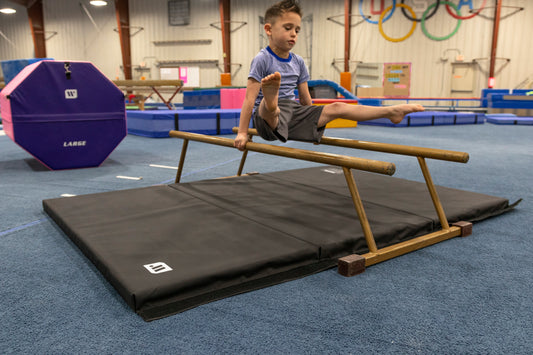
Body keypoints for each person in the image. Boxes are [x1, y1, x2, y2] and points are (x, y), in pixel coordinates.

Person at [234, 0, 424, 151]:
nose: (293, 34)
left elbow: (306, 98)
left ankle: (391, 112)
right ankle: (271, 102)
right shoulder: (262, 59)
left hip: (293, 111)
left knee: (337, 107)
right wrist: (242, 132)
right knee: (268, 109)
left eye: (297, 30)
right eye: (288, 28)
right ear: (268, 29)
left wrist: (313, 124)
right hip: (265, 119)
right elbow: (249, 100)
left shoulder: (298, 61)